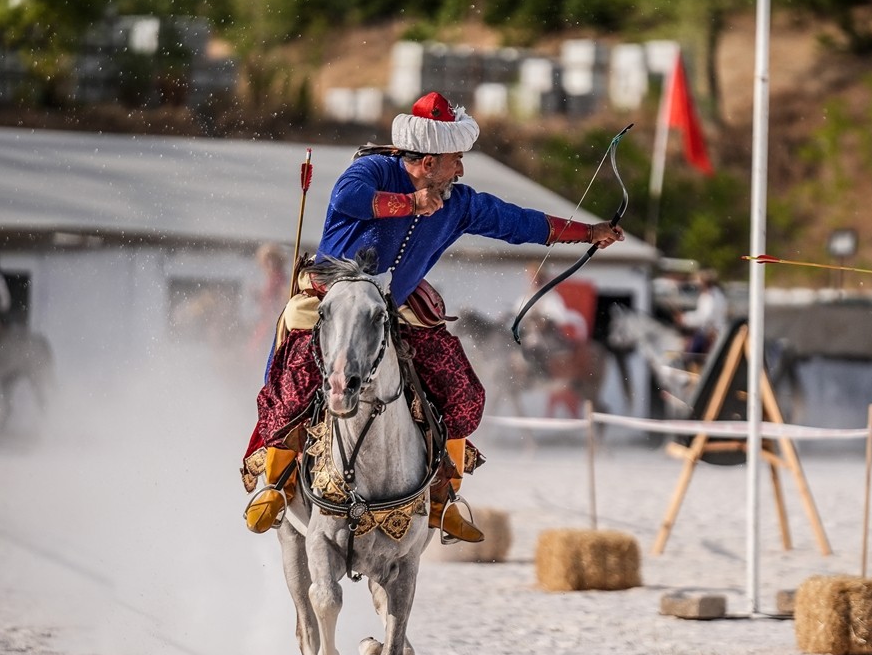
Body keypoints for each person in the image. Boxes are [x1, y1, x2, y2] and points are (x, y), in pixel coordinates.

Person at [242, 91, 624, 541]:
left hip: (396, 306)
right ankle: (279, 482)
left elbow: (519, 222)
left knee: (462, 391)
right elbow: (351, 197)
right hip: (334, 296)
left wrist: (588, 233)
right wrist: (410, 204)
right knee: (296, 382)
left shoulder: (458, 203)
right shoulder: (372, 170)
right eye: (454, 159)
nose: (460, 169)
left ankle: (443, 496)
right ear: (427, 161)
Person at [674, 268, 727, 357]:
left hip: (711, 334)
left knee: (690, 354)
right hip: (707, 332)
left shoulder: (712, 296)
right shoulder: (709, 295)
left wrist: (685, 319)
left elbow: (706, 317)